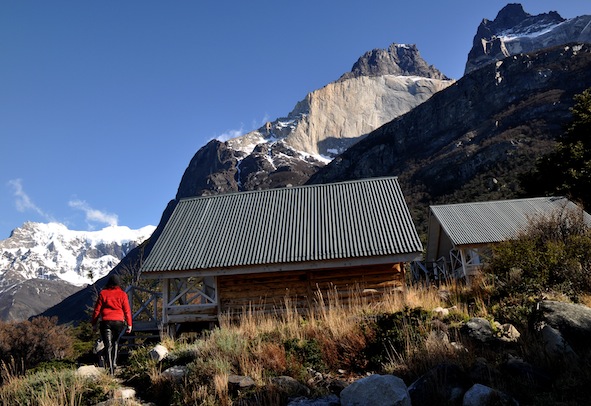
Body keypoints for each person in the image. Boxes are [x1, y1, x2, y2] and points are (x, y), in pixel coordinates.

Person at [91, 274, 132, 374]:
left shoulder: (103, 293)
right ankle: (113, 364)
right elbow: (127, 311)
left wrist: (94, 323)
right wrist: (129, 324)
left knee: (107, 345)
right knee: (115, 343)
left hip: (106, 321)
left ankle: (110, 369)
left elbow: (97, 310)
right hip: (119, 322)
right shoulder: (122, 294)